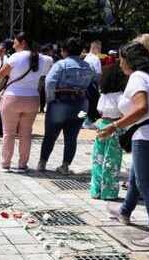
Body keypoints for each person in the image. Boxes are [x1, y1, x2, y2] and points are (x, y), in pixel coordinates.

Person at [98, 42, 149, 248]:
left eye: (121, 59)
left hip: (147, 134)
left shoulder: (138, 77)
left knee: (145, 183)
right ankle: (124, 211)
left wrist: (114, 126)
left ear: (129, 60)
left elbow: (141, 108)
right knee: (136, 175)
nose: (119, 63)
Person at [38, 37, 97, 174]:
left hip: (60, 104)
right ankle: (65, 166)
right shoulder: (89, 66)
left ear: (64, 51)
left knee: (50, 135)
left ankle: (42, 162)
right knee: (72, 136)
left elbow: (49, 83)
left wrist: (51, 102)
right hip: (82, 107)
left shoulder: (60, 65)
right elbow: (92, 83)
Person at [0, 32, 46, 172]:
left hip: (13, 98)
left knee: (8, 133)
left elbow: (0, 75)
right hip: (33, 99)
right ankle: (22, 164)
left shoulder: (15, 57)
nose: (13, 44)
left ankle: (6, 164)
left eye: (15, 41)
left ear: (23, 42)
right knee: (26, 133)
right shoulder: (43, 58)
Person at [91, 64, 127, 200]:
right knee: (112, 161)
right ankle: (109, 192)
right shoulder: (121, 96)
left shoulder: (103, 95)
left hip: (102, 126)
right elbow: (124, 112)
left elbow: (100, 111)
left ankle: (96, 190)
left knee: (98, 159)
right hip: (115, 127)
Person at [38, 45, 55, 113]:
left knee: (37, 93)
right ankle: (42, 108)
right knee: (44, 93)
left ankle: (36, 108)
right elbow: (52, 68)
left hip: (38, 77)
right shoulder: (50, 58)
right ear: (47, 51)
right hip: (47, 77)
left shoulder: (38, 57)